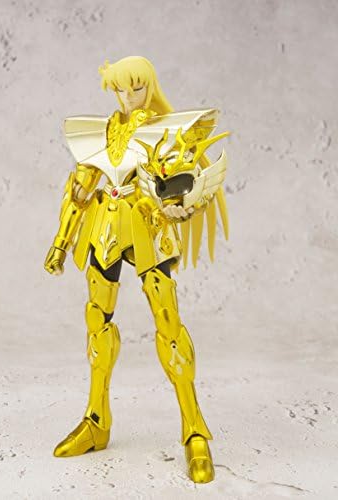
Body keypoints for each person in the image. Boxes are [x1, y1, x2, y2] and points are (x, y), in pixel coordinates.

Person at [44, 56, 229, 483]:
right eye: (121, 90)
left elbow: (179, 183)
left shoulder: (163, 132)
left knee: (169, 325)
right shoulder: (99, 132)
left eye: (137, 88)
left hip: (147, 228)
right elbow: (79, 190)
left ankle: (194, 430)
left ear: (150, 87)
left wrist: (176, 204)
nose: (128, 97)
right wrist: (60, 242)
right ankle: (96, 421)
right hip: (104, 227)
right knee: (98, 323)